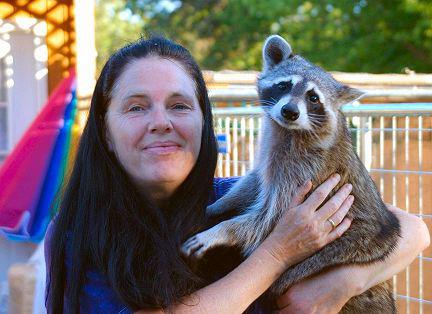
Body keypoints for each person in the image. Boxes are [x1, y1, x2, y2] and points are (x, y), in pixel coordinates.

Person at [45, 36, 430, 314]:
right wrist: (279, 251)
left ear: (203, 122)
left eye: (179, 105)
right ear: (105, 131)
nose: (160, 122)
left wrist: (343, 282)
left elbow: (411, 229)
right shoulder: (80, 233)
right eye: (136, 107)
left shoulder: (223, 196)